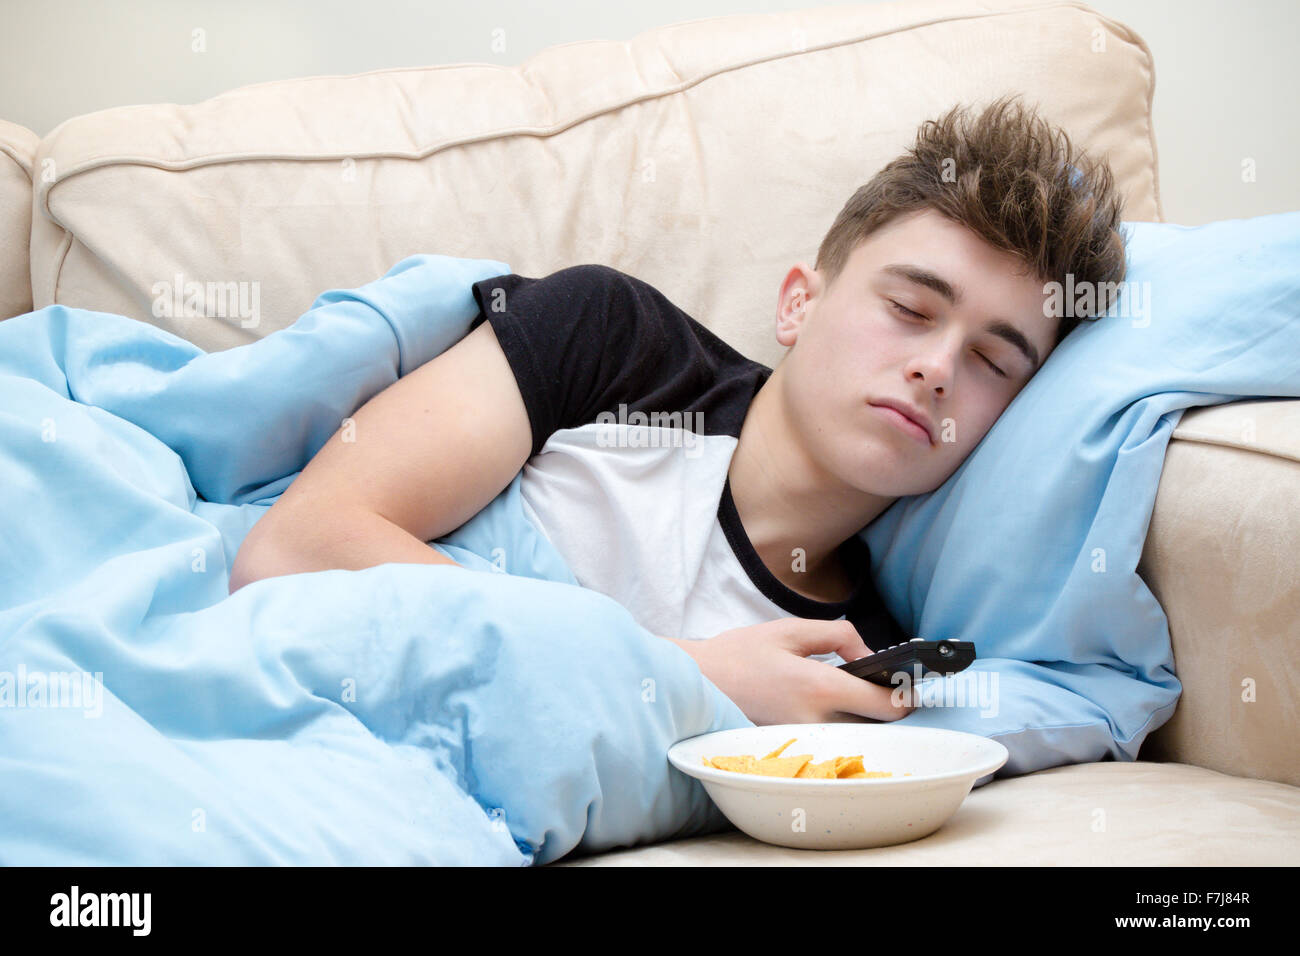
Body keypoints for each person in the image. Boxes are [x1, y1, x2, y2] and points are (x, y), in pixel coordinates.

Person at [228, 94, 1127, 727]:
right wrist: (688, 676)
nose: (936, 368)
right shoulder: (612, 338)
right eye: (910, 309)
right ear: (798, 306)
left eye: (992, 361)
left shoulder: (857, 660)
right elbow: (296, 549)